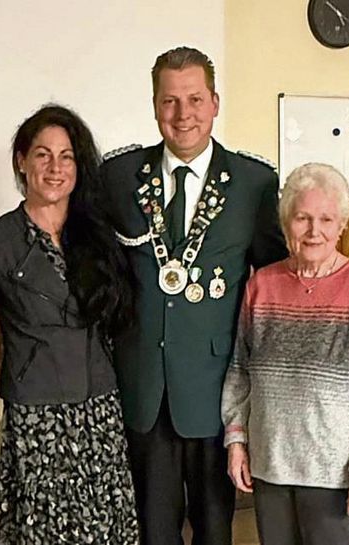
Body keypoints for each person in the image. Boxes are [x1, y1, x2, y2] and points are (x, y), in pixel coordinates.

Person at [100, 46, 287, 545]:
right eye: (170, 101)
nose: (183, 114)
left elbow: (271, 282)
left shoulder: (253, 182)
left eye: (195, 99)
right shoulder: (119, 177)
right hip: (144, 388)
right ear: (154, 105)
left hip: (214, 389)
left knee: (214, 528)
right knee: (153, 529)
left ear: (215, 103)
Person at [0, 105, 139, 544]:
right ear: (21, 161)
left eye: (67, 156)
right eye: (43, 154)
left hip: (100, 408)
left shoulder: (99, 233)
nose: (55, 168)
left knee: (105, 528)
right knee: (43, 531)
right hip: (37, 413)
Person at [221, 163, 349, 545]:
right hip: (270, 464)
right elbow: (239, 370)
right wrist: (236, 440)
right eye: (302, 218)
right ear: (285, 225)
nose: (315, 231)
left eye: (326, 219)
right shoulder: (262, 285)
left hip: (333, 472)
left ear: (342, 225)